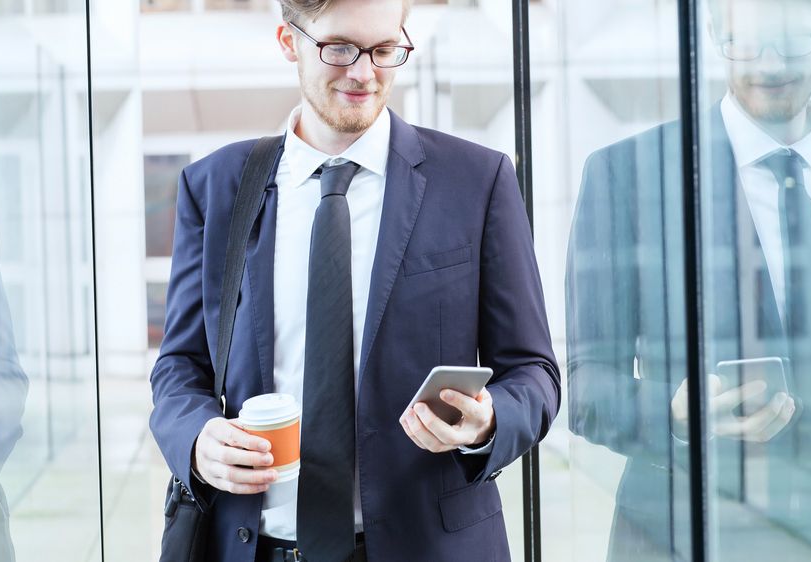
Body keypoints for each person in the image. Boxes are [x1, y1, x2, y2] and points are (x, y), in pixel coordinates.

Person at [149, 0, 561, 560]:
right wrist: (197, 439)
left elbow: (534, 373)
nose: (364, 72)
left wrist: (488, 422)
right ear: (288, 41)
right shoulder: (216, 187)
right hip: (255, 547)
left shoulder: (476, 181)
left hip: (427, 547)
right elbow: (179, 367)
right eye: (338, 48)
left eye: (385, 49)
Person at [566, 0, 811, 560]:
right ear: (714, 36)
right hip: (705, 537)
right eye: (744, 43)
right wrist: (673, 412)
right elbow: (588, 388)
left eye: (790, 41)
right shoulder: (628, 175)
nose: (768, 64)